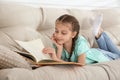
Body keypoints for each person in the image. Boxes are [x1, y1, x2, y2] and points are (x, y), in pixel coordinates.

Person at [42, 14, 120, 65]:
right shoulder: (58, 43)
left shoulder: (80, 42)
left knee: (118, 56)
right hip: (97, 51)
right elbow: (58, 62)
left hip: (101, 56)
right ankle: (98, 32)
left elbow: (80, 64)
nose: (58, 35)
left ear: (73, 34)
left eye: (63, 33)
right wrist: (59, 48)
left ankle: (98, 33)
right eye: (56, 31)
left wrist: (55, 58)